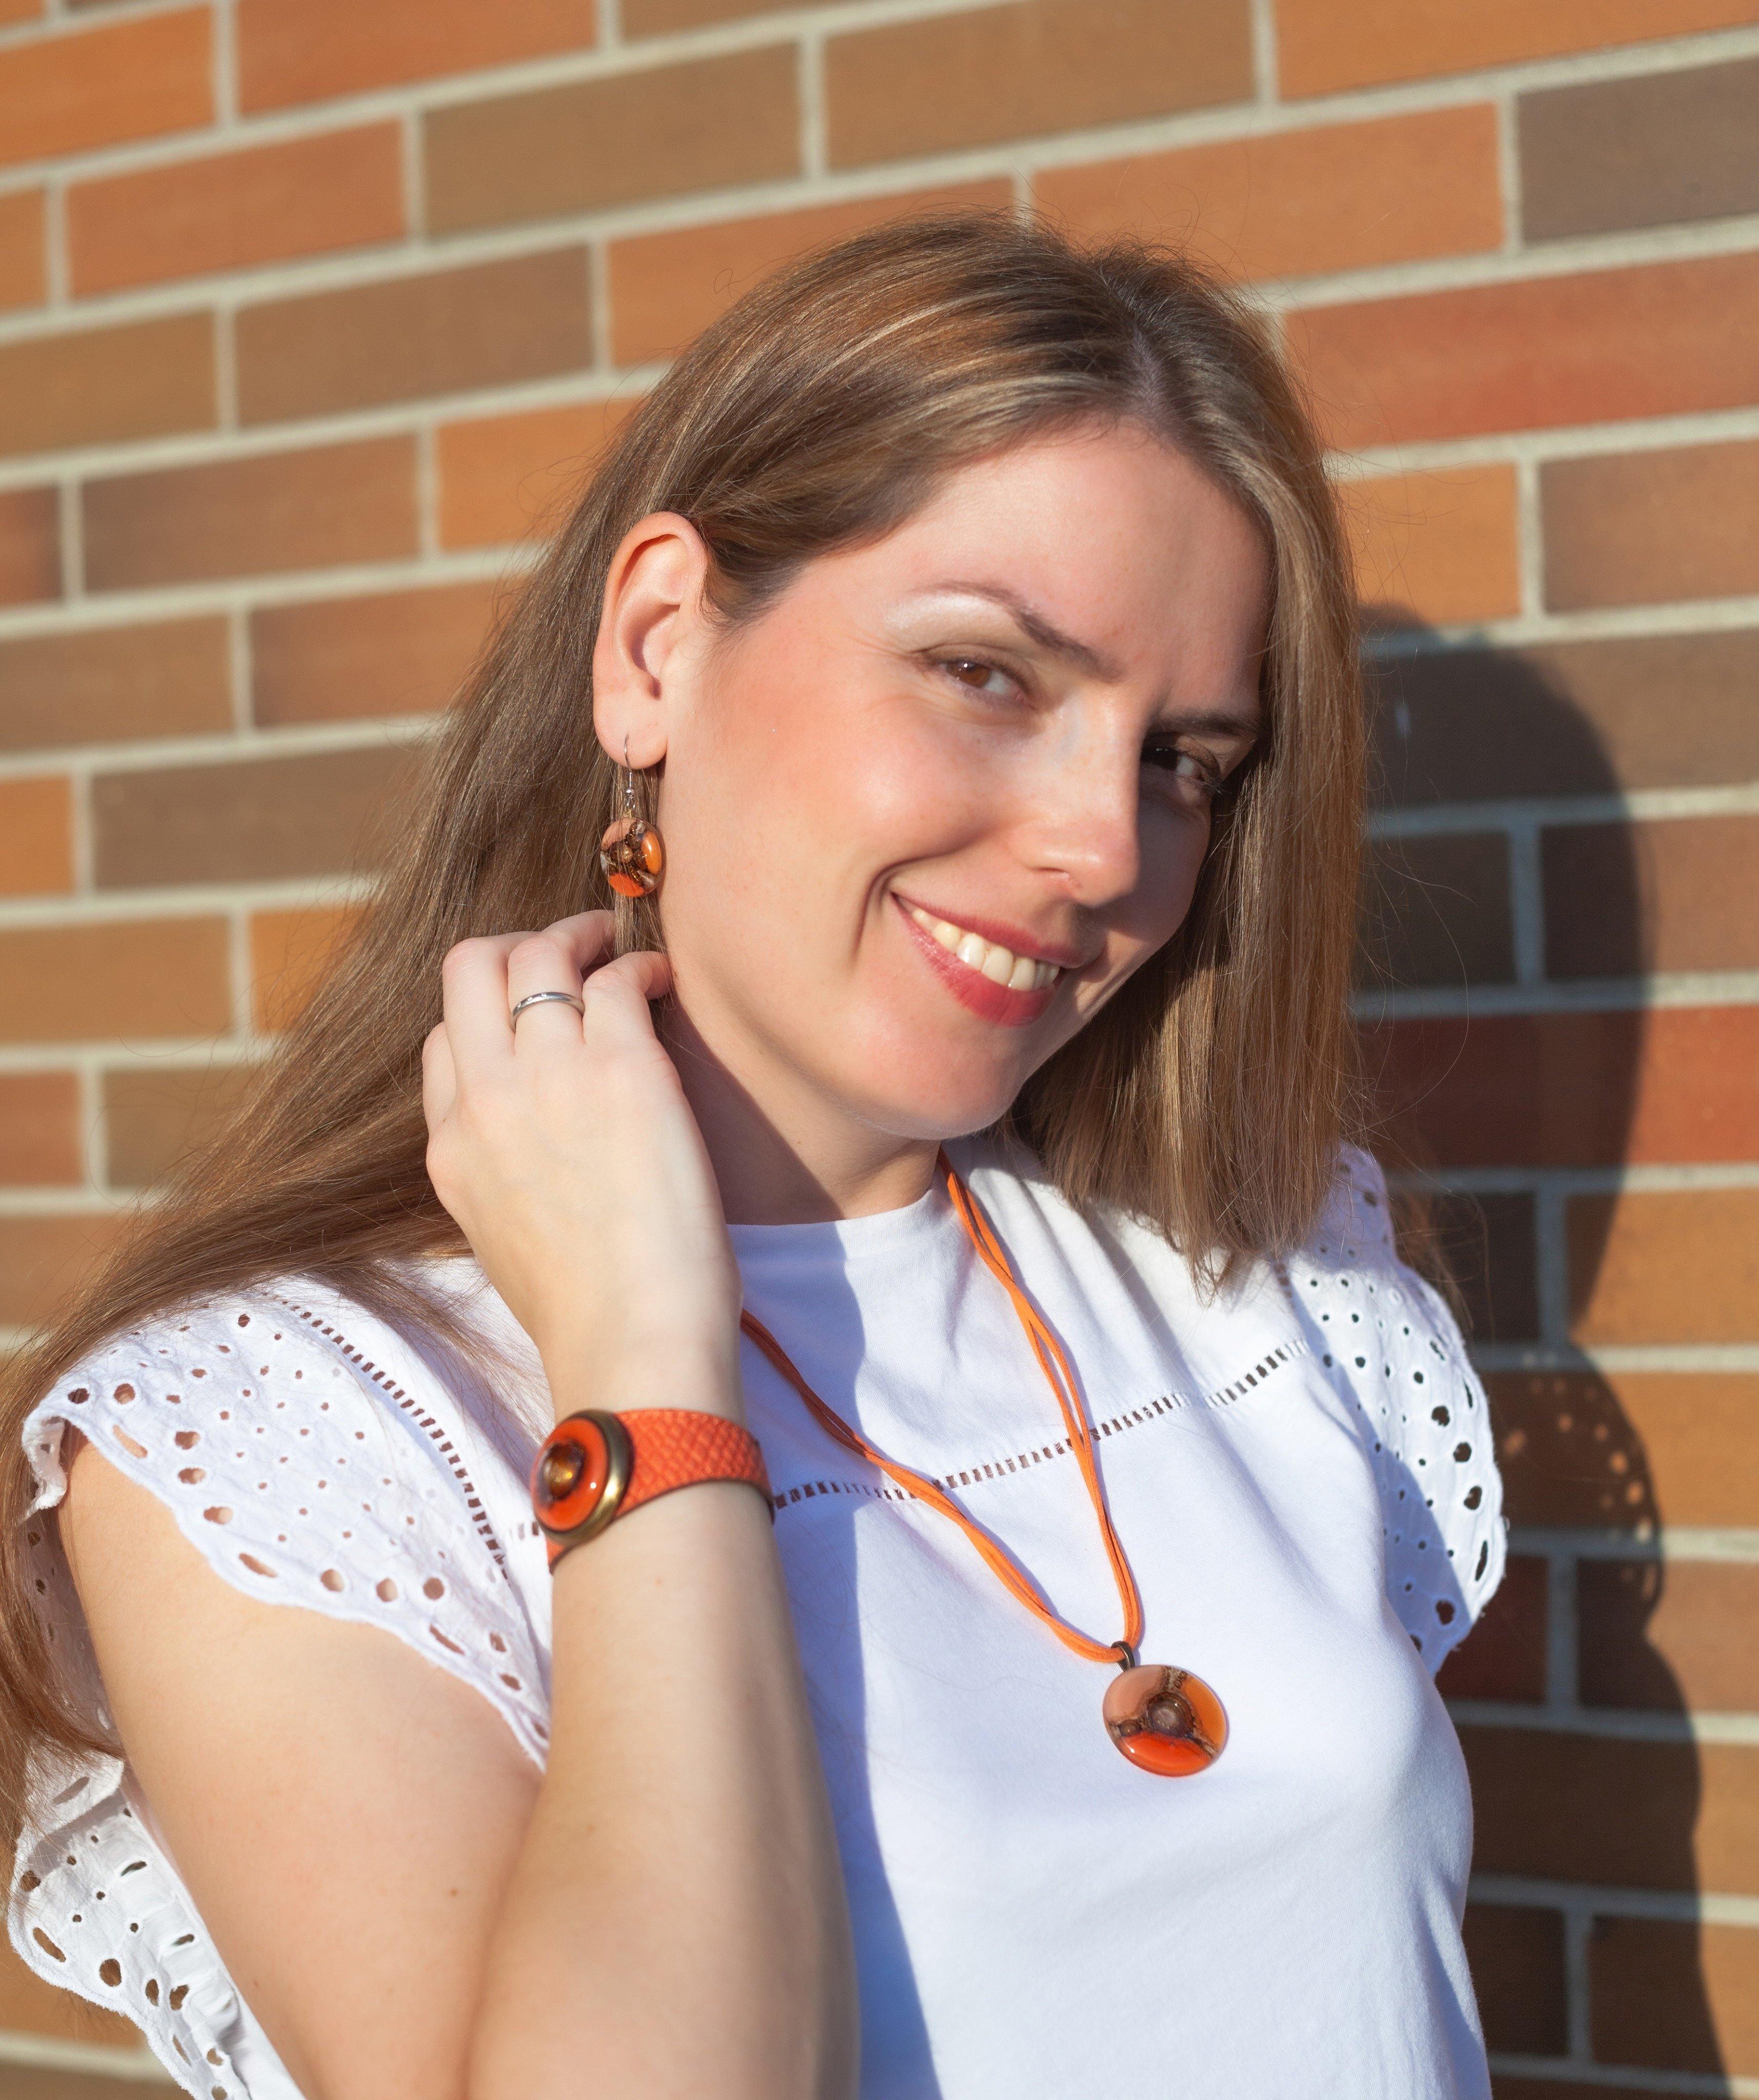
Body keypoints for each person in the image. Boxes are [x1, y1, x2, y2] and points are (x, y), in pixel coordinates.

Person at [1, 209, 1506, 2100]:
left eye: (1180, 762)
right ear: (654, 649)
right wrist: (641, 1347)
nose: (1103, 851)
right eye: (990, 676)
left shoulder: (1257, 1289)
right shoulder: (298, 1438)